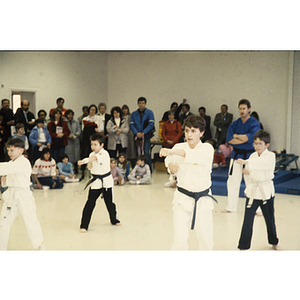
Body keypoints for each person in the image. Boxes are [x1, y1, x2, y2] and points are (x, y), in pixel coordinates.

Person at [159, 115, 217, 250]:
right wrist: (171, 169)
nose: (189, 134)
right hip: (182, 198)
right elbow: (169, 161)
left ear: (201, 133)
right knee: (179, 240)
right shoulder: (179, 146)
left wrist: (171, 150)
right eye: (186, 131)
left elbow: (191, 156)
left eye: (193, 131)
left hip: (202, 200)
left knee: (206, 239)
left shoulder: (207, 148)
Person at [236, 130, 279, 250]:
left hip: (266, 192)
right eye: (255, 143)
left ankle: (274, 242)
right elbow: (247, 173)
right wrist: (249, 170)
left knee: (270, 219)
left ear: (267, 145)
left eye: (260, 143)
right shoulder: (253, 156)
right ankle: (243, 246)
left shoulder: (270, 156)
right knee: (247, 220)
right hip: (253, 192)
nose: (257, 146)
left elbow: (263, 164)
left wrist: (247, 164)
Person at [0, 138, 45, 250]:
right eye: (8, 150)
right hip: (11, 195)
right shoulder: (11, 163)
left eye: (12, 150)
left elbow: (6, 168)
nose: (9, 153)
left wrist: (5, 174)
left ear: (21, 150)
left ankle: (41, 245)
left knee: (31, 221)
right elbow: (5, 182)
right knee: (3, 224)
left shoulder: (24, 162)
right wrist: (4, 178)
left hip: (23, 196)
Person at [222, 99, 261, 213]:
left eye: (244, 109)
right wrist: (244, 138)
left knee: (252, 181)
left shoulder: (254, 123)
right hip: (236, 155)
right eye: (240, 109)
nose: (242, 111)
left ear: (249, 109)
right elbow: (229, 140)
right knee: (233, 182)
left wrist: (237, 136)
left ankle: (257, 209)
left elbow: (252, 138)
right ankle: (231, 207)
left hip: (250, 156)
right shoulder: (234, 124)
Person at [78, 133, 121, 232]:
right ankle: (84, 225)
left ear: (102, 145)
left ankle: (114, 220)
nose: (93, 147)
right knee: (90, 203)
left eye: (95, 144)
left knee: (109, 202)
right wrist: (89, 165)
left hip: (106, 181)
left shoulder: (105, 153)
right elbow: (91, 165)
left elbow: (94, 159)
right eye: (92, 144)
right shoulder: (91, 154)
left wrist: (84, 161)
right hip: (96, 181)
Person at [130, 97, 155, 173]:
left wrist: (144, 132)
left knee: (146, 153)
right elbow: (131, 124)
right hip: (137, 136)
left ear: (145, 104)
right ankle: (138, 170)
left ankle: (149, 170)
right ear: (138, 104)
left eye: (143, 103)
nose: (141, 105)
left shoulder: (150, 113)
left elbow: (151, 124)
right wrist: (136, 133)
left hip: (146, 136)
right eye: (140, 103)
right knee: (138, 153)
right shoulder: (134, 114)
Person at [80, 104, 102, 179]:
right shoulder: (85, 118)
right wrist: (93, 125)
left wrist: (91, 126)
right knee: (85, 153)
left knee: (94, 154)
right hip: (86, 139)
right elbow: (83, 129)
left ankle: (94, 172)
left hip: (95, 138)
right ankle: (83, 172)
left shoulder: (98, 118)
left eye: (94, 110)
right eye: (91, 109)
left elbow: (100, 128)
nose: (93, 111)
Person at [65, 109, 81, 174]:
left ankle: (76, 168)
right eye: (69, 114)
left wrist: (76, 134)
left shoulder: (76, 121)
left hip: (75, 139)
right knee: (69, 154)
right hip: (68, 140)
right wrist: (69, 135)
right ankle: (69, 168)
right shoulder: (64, 122)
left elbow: (79, 130)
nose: (70, 116)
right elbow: (64, 130)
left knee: (76, 154)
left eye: (71, 114)